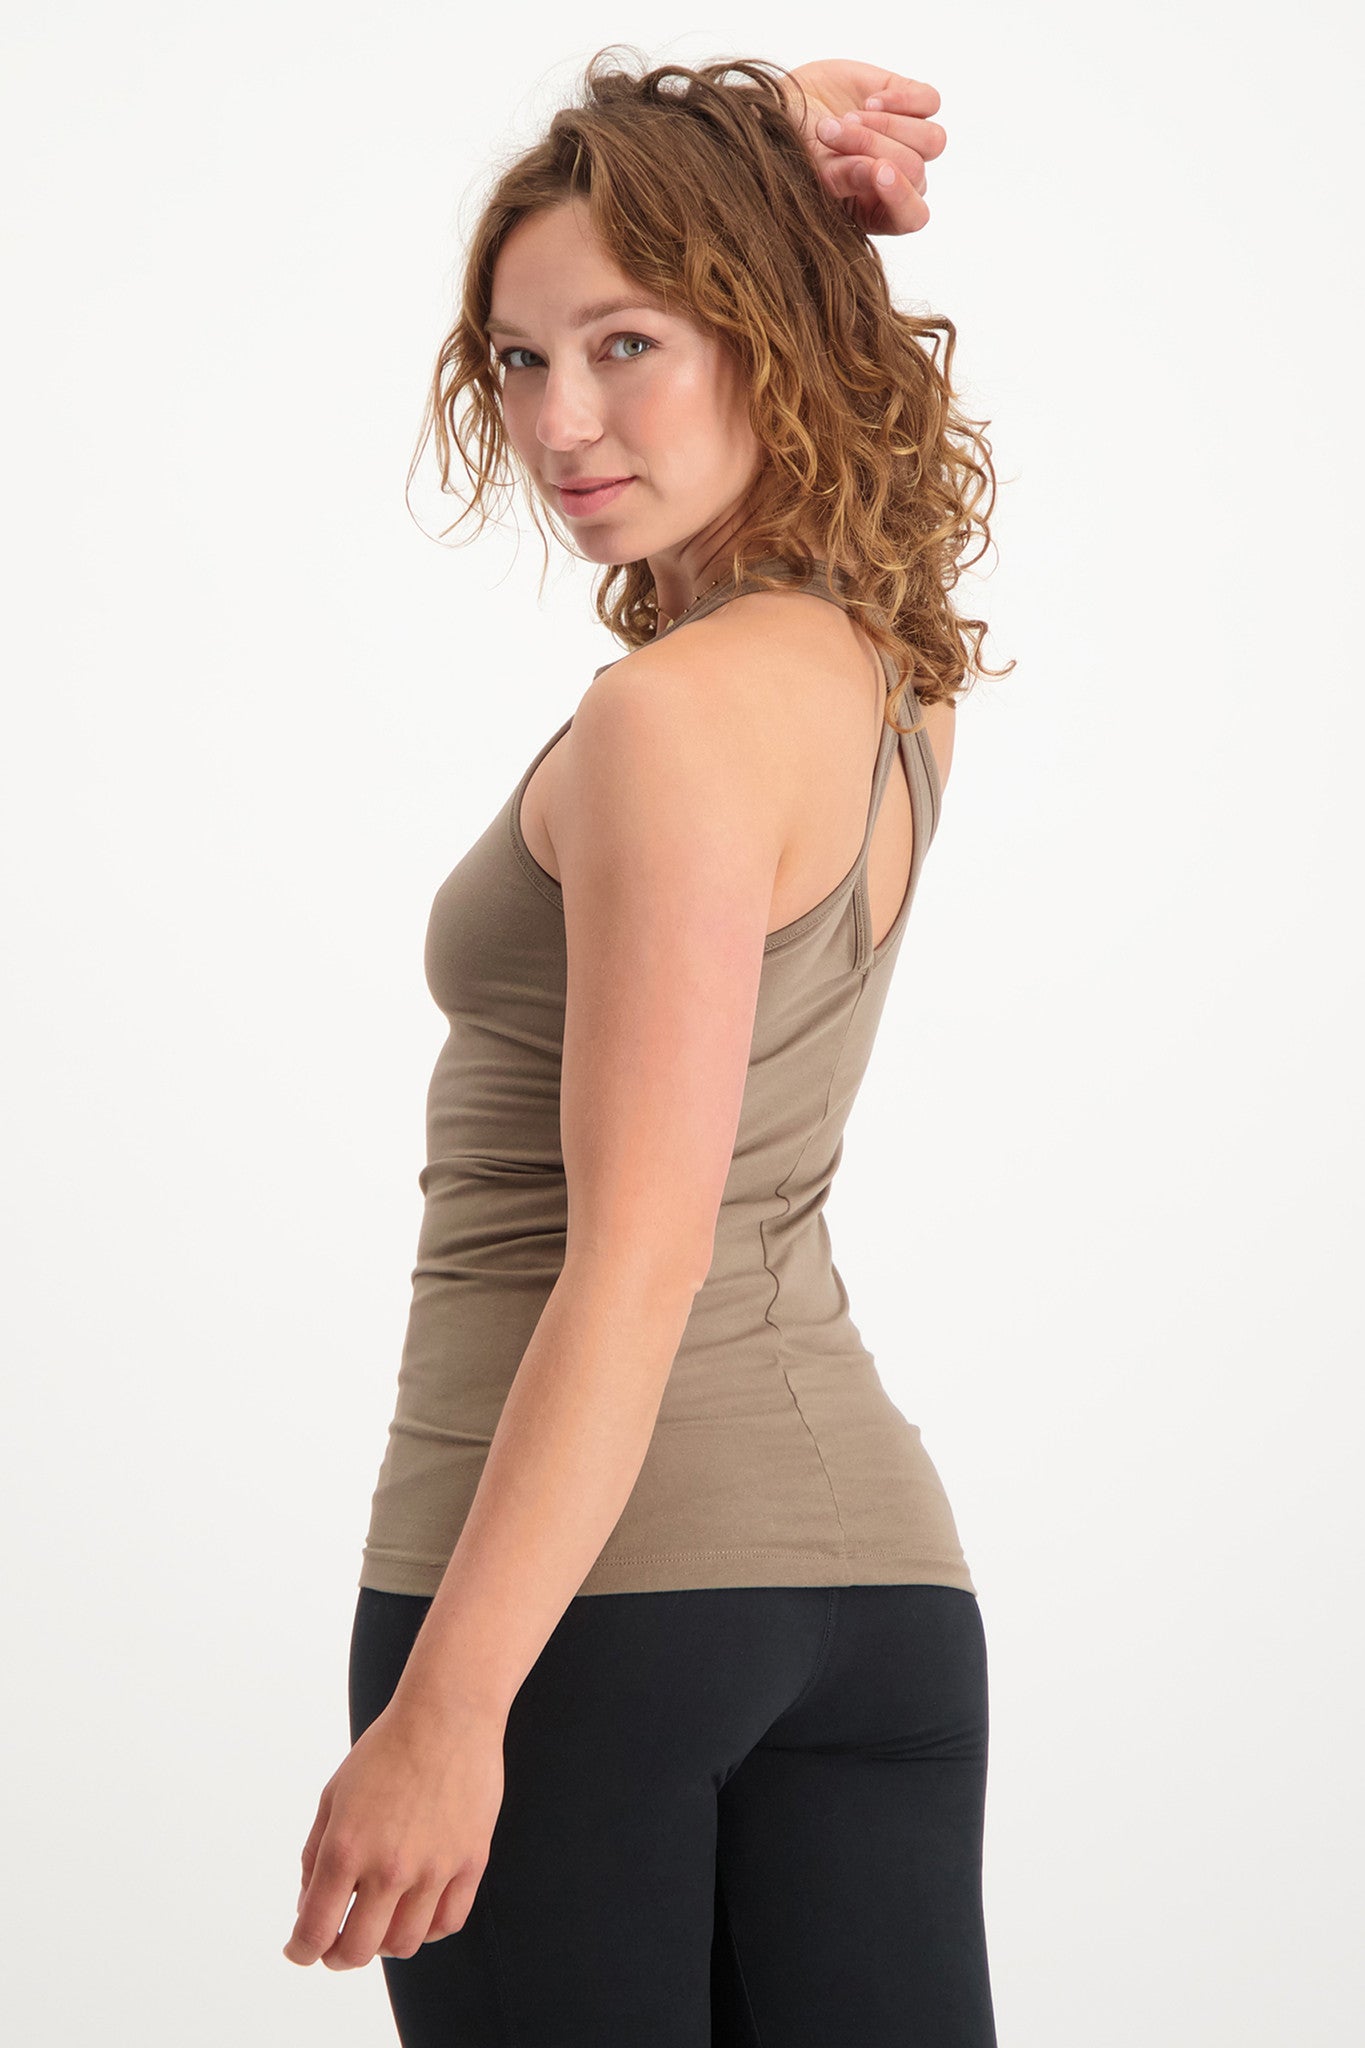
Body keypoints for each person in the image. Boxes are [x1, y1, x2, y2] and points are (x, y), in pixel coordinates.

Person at [283, 49, 1011, 2047]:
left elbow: (637, 1257)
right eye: (520, 360)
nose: (559, 421)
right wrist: (747, 143)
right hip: (879, 1608)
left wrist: (451, 1707)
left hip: (582, 1613)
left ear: (769, 329)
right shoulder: (888, 677)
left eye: (627, 345)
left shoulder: (666, 721)